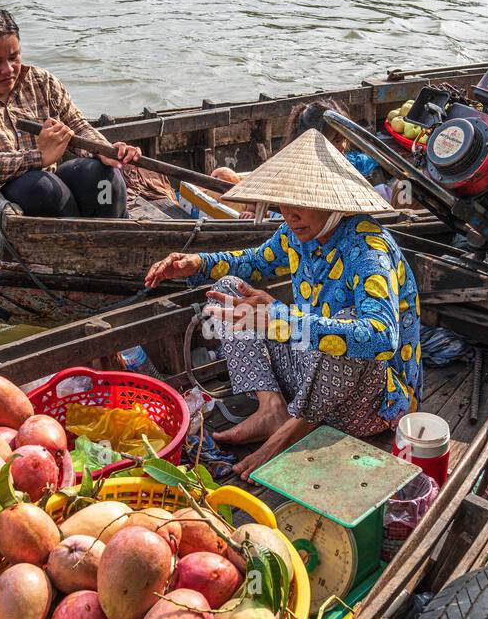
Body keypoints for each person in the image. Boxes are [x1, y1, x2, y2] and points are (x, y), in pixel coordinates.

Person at [144, 130, 423, 480]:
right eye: (284, 203)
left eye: (301, 203)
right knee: (229, 289)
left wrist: (279, 319)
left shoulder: (368, 249)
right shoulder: (294, 232)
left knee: (347, 325)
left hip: (367, 405)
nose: (290, 215)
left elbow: (381, 337)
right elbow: (256, 261)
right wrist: (196, 263)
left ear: (330, 198)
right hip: (309, 383)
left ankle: (290, 433)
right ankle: (271, 409)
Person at [0, 0, 143, 218]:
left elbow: (78, 126)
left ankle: (110, 236)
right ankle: (74, 243)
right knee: (40, 188)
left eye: (14, 57)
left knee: (103, 178)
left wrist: (104, 150)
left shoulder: (40, 82)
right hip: (12, 200)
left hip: (56, 193)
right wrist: (37, 158)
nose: (9, 70)